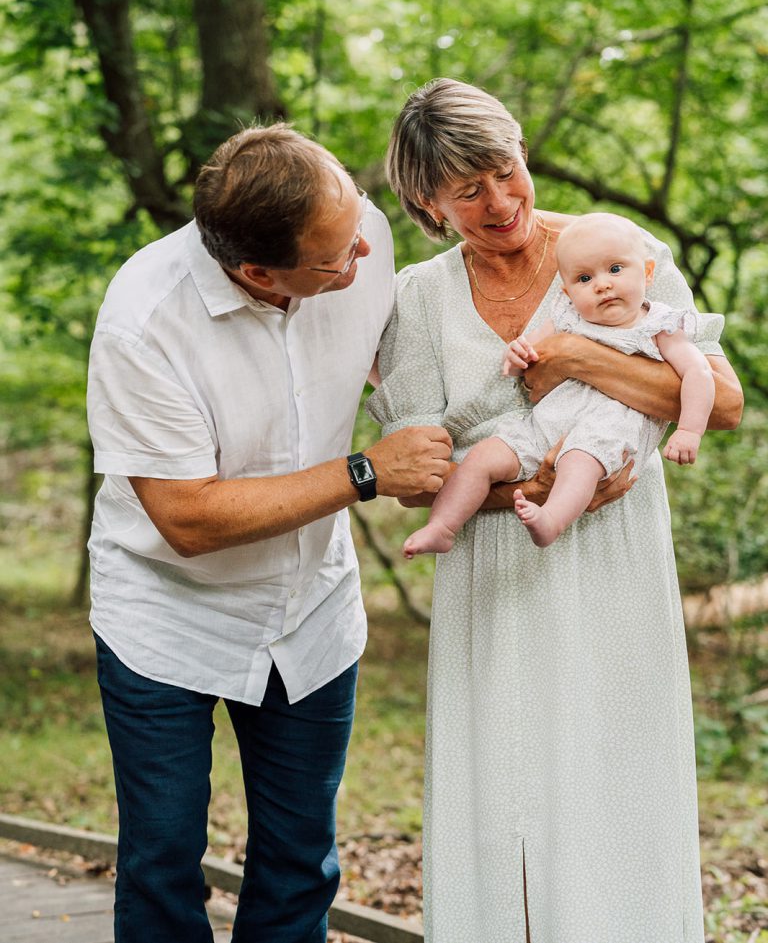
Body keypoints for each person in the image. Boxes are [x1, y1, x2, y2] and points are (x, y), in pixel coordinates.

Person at [367, 79, 743, 943]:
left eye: (504, 171)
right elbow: (422, 469)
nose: (499, 201)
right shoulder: (419, 299)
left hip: (612, 558)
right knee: (501, 793)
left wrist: (574, 354)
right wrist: (526, 492)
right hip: (489, 575)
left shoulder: (614, 248)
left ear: (523, 151)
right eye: (468, 189)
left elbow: (720, 403)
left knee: (616, 776)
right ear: (428, 201)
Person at [86, 122, 452, 943]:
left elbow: (401, 368)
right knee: (163, 858)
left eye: (358, 228)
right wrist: (366, 470)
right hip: (167, 618)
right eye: (336, 259)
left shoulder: (357, 233)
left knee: (299, 861)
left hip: (311, 608)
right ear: (257, 272)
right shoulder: (144, 321)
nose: (362, 255)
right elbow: (187, 517)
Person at [403, 211, 716, 555]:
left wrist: (689, 430)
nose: (602, 284)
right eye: (584, 278)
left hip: (606, 430)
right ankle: (443, 526)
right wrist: (517, 355)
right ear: (567, 291)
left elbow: (698, 373)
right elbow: (524, 354)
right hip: (545, 422)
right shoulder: (567, 315)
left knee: (578, 463)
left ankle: (551, 519)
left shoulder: (658, 325)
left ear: (647, 272)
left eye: (615, 269)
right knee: (482, 457)